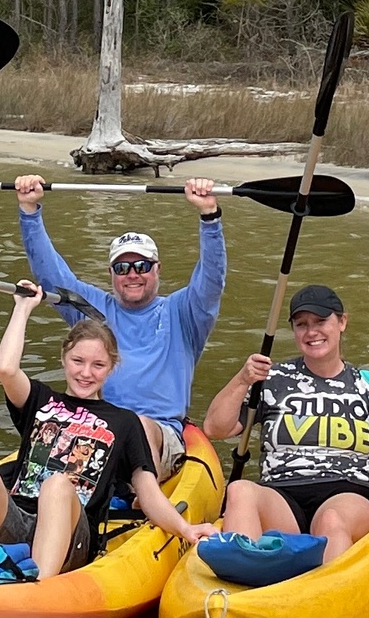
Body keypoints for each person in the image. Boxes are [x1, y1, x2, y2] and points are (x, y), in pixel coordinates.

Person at [0, 291, 218, 579]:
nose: (86, 373)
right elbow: (5, 369)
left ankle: (38, 585)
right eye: (78, 361)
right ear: (64, 358)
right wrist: (23, 308)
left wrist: (186, 528)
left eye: (98, 365)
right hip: (19, 520)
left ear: (111, 368)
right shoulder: (40, 400)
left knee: (57, 485)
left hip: (74, 534)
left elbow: (149, 493)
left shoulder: (124, 422)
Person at [203, 284, 369, 561]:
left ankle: (325, 593)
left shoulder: (366, 388)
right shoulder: (273, 380)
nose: (311, 332)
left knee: (331, 520)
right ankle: (244, 581)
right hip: (282, 496)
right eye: (301, 324)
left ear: (342, 322)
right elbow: (216, 428)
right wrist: (242, 380)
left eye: (321, 321)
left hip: (349, 492)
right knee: (240, 490)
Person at [15, 170, 224, 474]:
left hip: (158, 433)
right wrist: (30, 211)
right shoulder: (93, 308)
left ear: (157, 269)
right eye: (122, 267)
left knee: (134, 424)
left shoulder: (184, 312)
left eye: (142, 265)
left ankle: (142, 497)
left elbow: (212, 280)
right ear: (112, 273)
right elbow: (51, 276)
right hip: (95, 426)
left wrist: (209, 217)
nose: (132, 274)